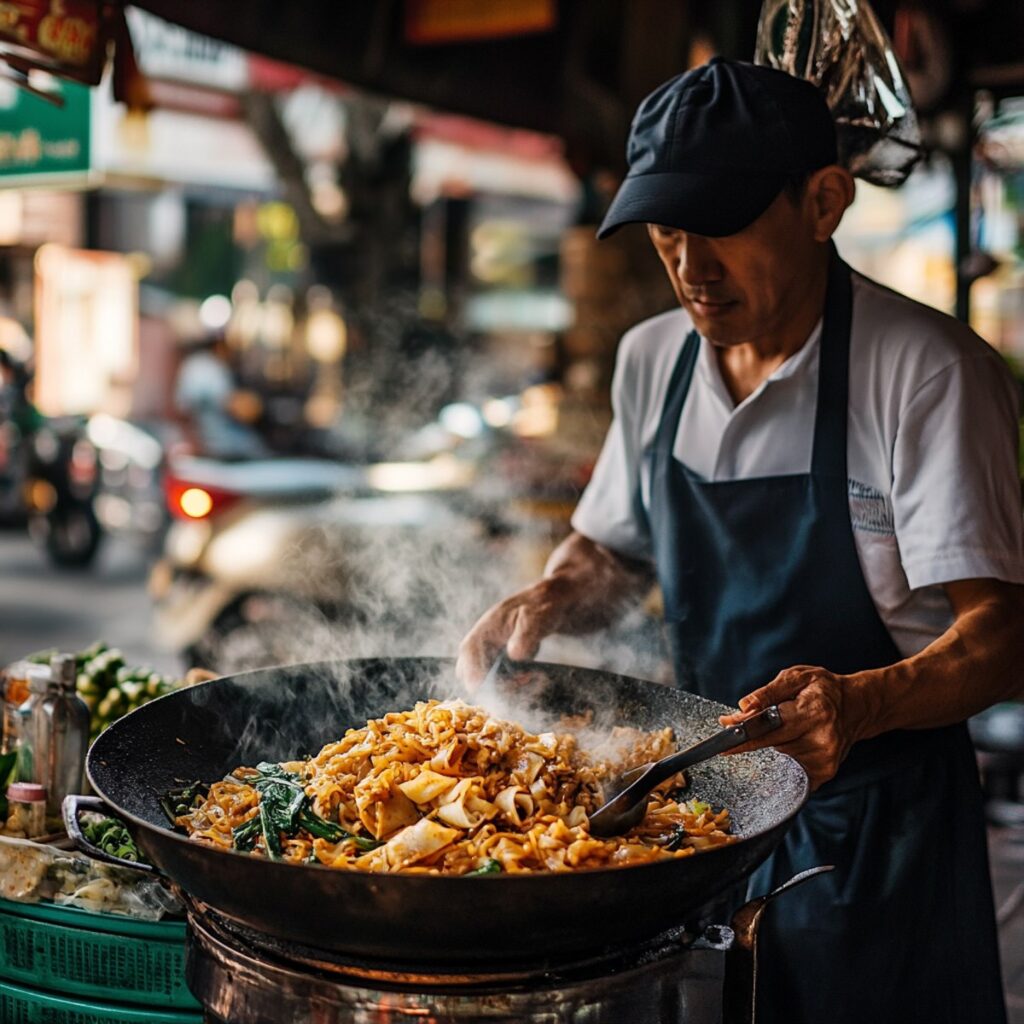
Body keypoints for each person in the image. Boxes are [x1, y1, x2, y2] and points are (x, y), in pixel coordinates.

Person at [457, 58, 1024, 1023]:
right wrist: (548, 597)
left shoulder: (924, 372)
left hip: (874, 840)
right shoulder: (651, 360)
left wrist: (858, 703)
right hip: (690, 826)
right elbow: (609, 553)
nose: (690, 266)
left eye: (718, 227)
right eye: (667, 235)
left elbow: (1003, 634)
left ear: (823, 201)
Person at [173, 331, 269, 460]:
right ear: (219, 346)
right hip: (214, 433)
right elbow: (224, 402)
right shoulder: (206, 366)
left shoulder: (204, 364)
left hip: (212, 430)